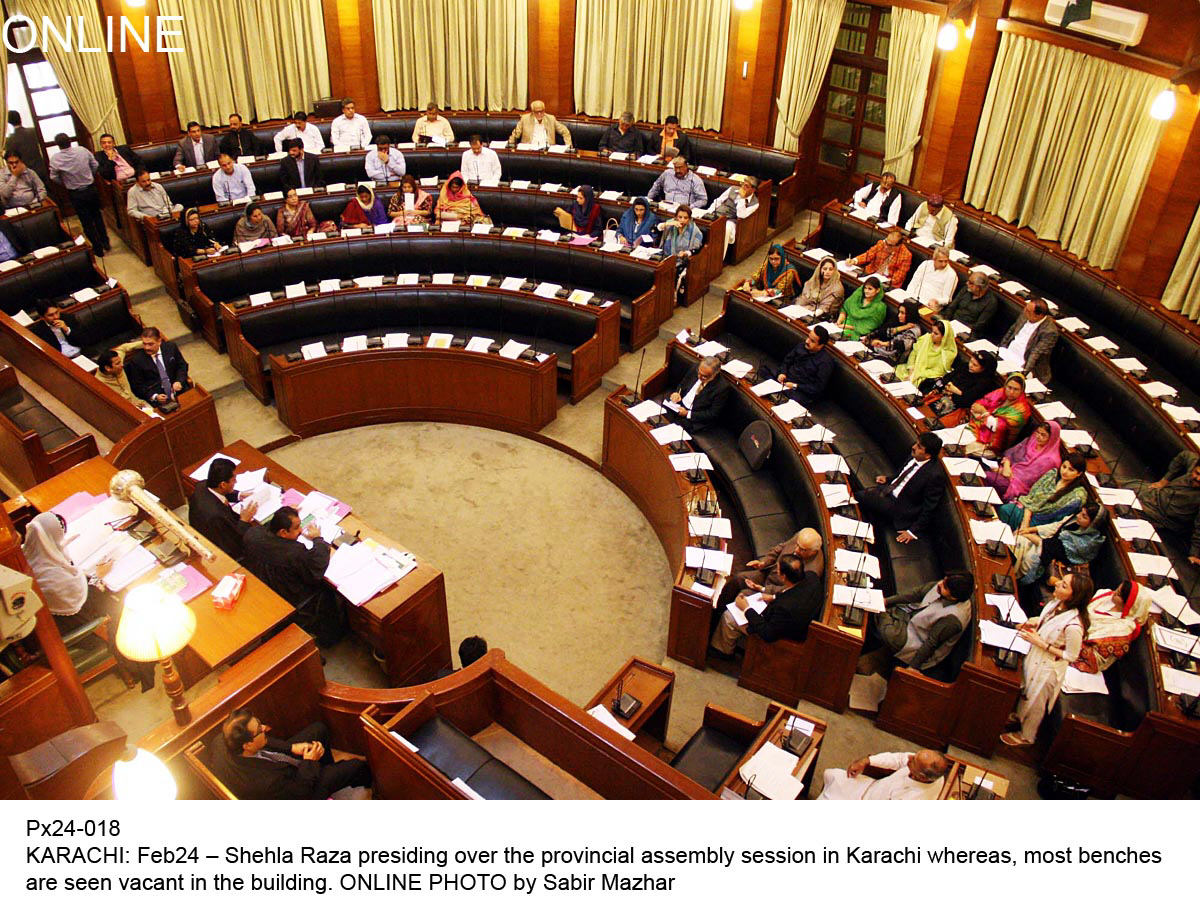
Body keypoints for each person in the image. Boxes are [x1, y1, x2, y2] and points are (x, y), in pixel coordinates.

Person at [21, 512, 154, 690]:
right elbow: (83, 600)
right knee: (123, 604)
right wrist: (99, 577)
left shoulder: (28, 553)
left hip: (43, 622)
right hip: (67, 629)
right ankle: (138, 656)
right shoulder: (54, 577)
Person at [1002, 571, 1093, 746]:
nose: (1057, 584)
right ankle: (1018, 717)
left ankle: (1026, 736)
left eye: (1064, 585)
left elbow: (1071, 655)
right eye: (1061, 582)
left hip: (1049, 666)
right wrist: (1034, 622)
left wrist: (1042, 643)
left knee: (1036, 702)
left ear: (1074, 596)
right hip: (1036, 654)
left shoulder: (1074, 626)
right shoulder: (1056, 603)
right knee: (1026, 690)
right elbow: (1047, 620)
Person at [210, 709, 370, 799]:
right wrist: (310, 761)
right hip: (299, 791)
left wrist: (292, 747)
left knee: (318, 730)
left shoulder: (223, 739)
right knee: (356, 766)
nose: (265, 727)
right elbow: (300, 792)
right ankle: (373, 787)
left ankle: (327, 769)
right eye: (259, 729)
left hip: (286, 770)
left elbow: (266, 741)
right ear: (248, 744)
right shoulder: (264, 783)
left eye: (259, 722)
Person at [243, 507, 346, 647]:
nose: (301, 531)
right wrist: (318, 539)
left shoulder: (252, 534)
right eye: (297, 528)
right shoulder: (293, 552)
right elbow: (316, 565)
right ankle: (332, 638)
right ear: (283, 532)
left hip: (266, 592)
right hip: (293, 598)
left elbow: (266, 527)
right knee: (328, 590)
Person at [858, 572, 975, 674]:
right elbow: (917, 593)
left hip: (916, 640)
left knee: (888, 631)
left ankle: (881, 615)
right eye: (944, 580)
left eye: (945, 586)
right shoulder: (948, 583)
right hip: (913, 617)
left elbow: (931, 643)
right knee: (885, 610)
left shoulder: (952, 620)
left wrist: (912, 668)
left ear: (953, 597)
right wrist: (887, 601)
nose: (940, 584)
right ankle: (882, 615)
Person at [710, 555, 822, 657]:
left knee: (729, 617)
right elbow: (793, 593)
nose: (776, 572)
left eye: (778, 570)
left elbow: (767, 633)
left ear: (783, 577)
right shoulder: (812, 577)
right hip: (793, 620)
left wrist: (746, 609)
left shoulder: (784, 608)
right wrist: (773, 597)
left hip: (783, 637)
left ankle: (722, 652)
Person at [857, 433, 945, 543]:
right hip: (889, 491)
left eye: (919, 447)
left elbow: (930, 507)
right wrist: (889, 479)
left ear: (928, 456)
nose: (913, 447)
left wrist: (913, 531)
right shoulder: (915, 455)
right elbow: (903, 473)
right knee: (866, 502)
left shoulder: (934, 476)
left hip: (900, 507)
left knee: (859, 496)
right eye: (916, 443)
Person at [1121, 450, 1200, 565]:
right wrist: (1164, 480)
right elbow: (1184, 455)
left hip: (1161, 514)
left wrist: (1194, 554)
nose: (1198, 479)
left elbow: (1199, 529)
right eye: (1197, 473)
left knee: (1124, 508)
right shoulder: (1193, 463)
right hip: (1155, 492)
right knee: (1116, 483)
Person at [1013, 501, 1107, 588]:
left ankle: (1013, 580)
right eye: (1080, 512)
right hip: (1046, 544)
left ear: (1093, 524)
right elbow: (1056, 526)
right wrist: (1030, 530)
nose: (1078, 516)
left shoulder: (1088, 543)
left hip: (1052, 559)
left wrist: (1028, 535)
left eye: (1084, 516)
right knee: (1018, 539)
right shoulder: (1076, 520)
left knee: (1025, 551)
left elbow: (1052, 548)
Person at [723, 527, 825, 603]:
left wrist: (762, 589)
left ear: (813, 552)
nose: (796, 550)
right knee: (738, 579)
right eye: (797, 545)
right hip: (770, 572)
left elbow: (788, 591)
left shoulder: (811, 572)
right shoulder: (802, 538)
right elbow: (780, 548)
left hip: (774, 591)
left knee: (743, 596)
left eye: (802, 549)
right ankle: (716, 608)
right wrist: (764, 563)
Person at [997, 452, 1090, 532]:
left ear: (1079, 473)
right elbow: (1032, 497)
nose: (1065, 472)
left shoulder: (1076, 497)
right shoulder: (1051, 475)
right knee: (1006, 510)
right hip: (1028, 511)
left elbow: (1056, 521)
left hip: (1042, 523)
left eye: (1071, 470)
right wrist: (1026, 521)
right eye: (1064, 467)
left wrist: (1030, 528)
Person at [48, 134, 109, 253]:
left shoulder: (55, 159)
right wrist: (89, 175)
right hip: (91, 189)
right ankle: (105, 242)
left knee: (86, 221)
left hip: (75, 193)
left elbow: (53, 177)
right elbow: (95, 165)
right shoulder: (82, 150)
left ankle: (97, 248)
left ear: (57, 145)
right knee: (97, 216)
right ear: (70, 141)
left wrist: (65, 183)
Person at [1075, 580, 1151, 673]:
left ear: (1128, 604)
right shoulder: (1106, 596)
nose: (1113, 593)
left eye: (1118, 594)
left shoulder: (1123, 628)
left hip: (1087, 652)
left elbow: (1097, 655)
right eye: (1117, 589)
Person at [188, 458, 257, 560]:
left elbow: (219, 492)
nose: (236, 481)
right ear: (223, 484)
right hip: (223, 548)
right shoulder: (216, 516)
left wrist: (239, 495)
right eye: (233, 479)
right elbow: (233, 544)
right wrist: (244, 520)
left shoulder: (202, 485)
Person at [819, 750, 950, 800]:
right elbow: (898, 759)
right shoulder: (924, 767)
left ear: (922, 777)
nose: (909, 757)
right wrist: (867, 760)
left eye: (913, 761)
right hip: (869, 787)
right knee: (831, 774)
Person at [984, 421, 1063, 502]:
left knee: (986, 477)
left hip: (1017, 485)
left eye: (1043, 435)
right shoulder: (1031, 441)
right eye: (1038, 432)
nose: (1038, 437)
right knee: (981, 469)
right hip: (1005, 469)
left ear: (1051, 438)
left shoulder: (1050, 460)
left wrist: (1005, 471)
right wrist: (1006, 466)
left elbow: (1028, 480)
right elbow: (1010, 454)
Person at [967, 372, 1033, 457]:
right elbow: (978, 405)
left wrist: (984, 412)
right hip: (979, 427)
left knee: (962, 447)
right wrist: (986, 416)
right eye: (1009, 387)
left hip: (994, 445)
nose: (1011, 392)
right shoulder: (1001, 392)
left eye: (1016, 389)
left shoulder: (1022, 410)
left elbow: (999, 427)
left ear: (1022, 391)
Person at [124, 326, 189, 405]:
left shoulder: (171, 347)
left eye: (150, 344)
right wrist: (154, 396)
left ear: (159, 341)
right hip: (158, 398)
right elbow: (137, 385)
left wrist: (179, 381)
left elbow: (182, 365)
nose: (146, 348)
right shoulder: (137, 361)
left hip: (178, 390)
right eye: (144, 344)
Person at [999, 297, 1058, 383]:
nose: (1024, 311)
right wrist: (1001, 347)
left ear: (1038, 315)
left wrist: (1023, 373)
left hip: (1025, 363)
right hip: (1007, 353)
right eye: (1026, 308)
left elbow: (1036, 354)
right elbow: (1012, 330)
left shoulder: (1050, 331)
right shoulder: (1025, 314)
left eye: (1028, 311)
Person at [925, 350, 998, 419]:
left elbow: (967, 400)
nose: (971, 365)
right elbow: (946, 377)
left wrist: (955, 391)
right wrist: (949, 384)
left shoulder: (984, 382)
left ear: (983, 369)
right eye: (971, 361)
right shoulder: (965, 367)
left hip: (957, 406)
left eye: (975, 365)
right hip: (943, 394)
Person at [926, 271, 997, 338]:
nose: (967, 283)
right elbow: (952, 307)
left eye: (970, 283)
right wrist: (947, 321)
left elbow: (979, 325)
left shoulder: (991, 302)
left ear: (978, 287)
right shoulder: (966, 289)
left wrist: (960, 329)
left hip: (967, 330)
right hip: (950, 321)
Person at [668, 355, 728, 433]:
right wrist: (677, 393)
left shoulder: (721, 388)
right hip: (679, 406)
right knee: (660, 415)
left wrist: (687, 414)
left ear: (715, 374)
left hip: (694, 418)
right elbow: (683, 383)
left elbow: (713, 413)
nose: (699, 377)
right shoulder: (695, 368)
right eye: (699, 373)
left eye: (704, 376)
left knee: (672, 430)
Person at [896, 318, 957, 390]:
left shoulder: (948, 353)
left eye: (936, 333)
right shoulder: (926, 339)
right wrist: (911, 370)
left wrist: (916, 374)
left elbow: (938, 371)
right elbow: (914, 354)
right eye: (932, 331)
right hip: (910, 370)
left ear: (944, 337)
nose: (932, 335)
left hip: (924, 379)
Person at [777, 327, 833, 403]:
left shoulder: (825, 362)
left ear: (821, 345)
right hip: (786, 380)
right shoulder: (801, 346)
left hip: (801, 391)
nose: (807, 341)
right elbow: (787, 361)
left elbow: (817, 388)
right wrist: (782, 373)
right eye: (808, 337)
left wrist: (795, 386)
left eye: (812, 341)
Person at [709, 176, 759, 257]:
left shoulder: (755, 203)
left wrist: (742, 198)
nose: (743, 187)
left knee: (726, 229)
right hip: (718, 213)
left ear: (753, 190)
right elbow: (718, 200)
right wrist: (709, 212)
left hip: (731, 220)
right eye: (743, 184)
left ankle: (720, 258)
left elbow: (741, 215)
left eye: (747, 186)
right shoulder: (732, 189)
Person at [4, 111, 48, 183]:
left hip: (26, 174)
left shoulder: (10, 140)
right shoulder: (33, 131)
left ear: (8, 123)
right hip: (41, 168)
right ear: (20, 118)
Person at [508, 100, 572, 148]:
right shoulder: (525, 119)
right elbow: (516, 134)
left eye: (541, 111)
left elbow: (565, 131)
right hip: (530, 149)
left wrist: (568, 146)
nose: (539, 114)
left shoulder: (551, 119)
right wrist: (509, 145)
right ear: (532, 112)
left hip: (547, 150)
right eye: (536, 112)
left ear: (544, 110)